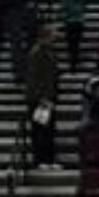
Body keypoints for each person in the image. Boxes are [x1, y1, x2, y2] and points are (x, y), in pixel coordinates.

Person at [25, 25, 59, 169]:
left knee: (49, 129)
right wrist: (42, 97)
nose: (56, 36)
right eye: (54, 33)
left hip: (48, 97)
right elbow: (34, 78)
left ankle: (49, 160)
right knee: (40, 130)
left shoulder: (49, 51)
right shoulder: (36, 53)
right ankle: (40, 160)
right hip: (39, 99)